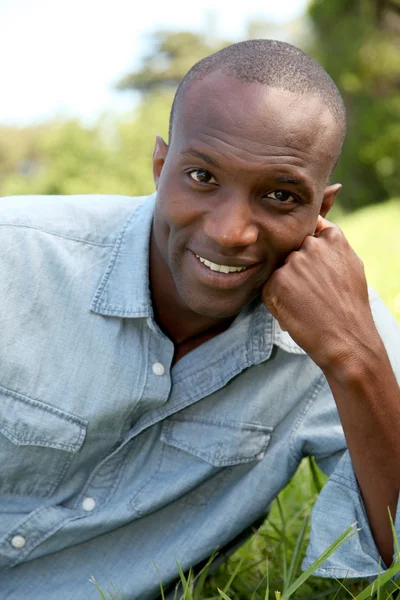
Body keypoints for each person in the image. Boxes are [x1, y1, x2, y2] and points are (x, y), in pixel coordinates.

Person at [0, 39, 399, 600]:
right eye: (203, 178)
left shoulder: (343, 331)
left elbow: (392, 559)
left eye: (280, 195)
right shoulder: (15, 258)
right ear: (161, 166)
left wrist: (355, 362)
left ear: (321, 212)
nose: (230, 231)